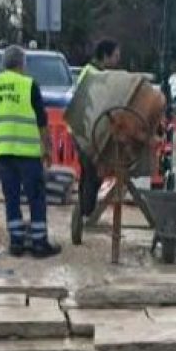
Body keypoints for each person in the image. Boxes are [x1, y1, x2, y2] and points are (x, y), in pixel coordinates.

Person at [0, 44, 60, 257]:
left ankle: (16, 243)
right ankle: (39, 243)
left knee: (11, 198)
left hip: (3, 153)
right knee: (36, 197)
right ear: (22, 64)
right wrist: (48, 148)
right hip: (28, 153)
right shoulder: (28, 85)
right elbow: (42, 121)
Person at [75, 38, 121, 218]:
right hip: (86, 131)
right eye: (116, 56)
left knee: (90, 173)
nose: (118, 60)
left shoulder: (93, 72)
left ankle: (85, 211)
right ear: (105, 56)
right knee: (92, 173)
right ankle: (86, 213)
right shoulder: (94, 74)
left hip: (87, 130)